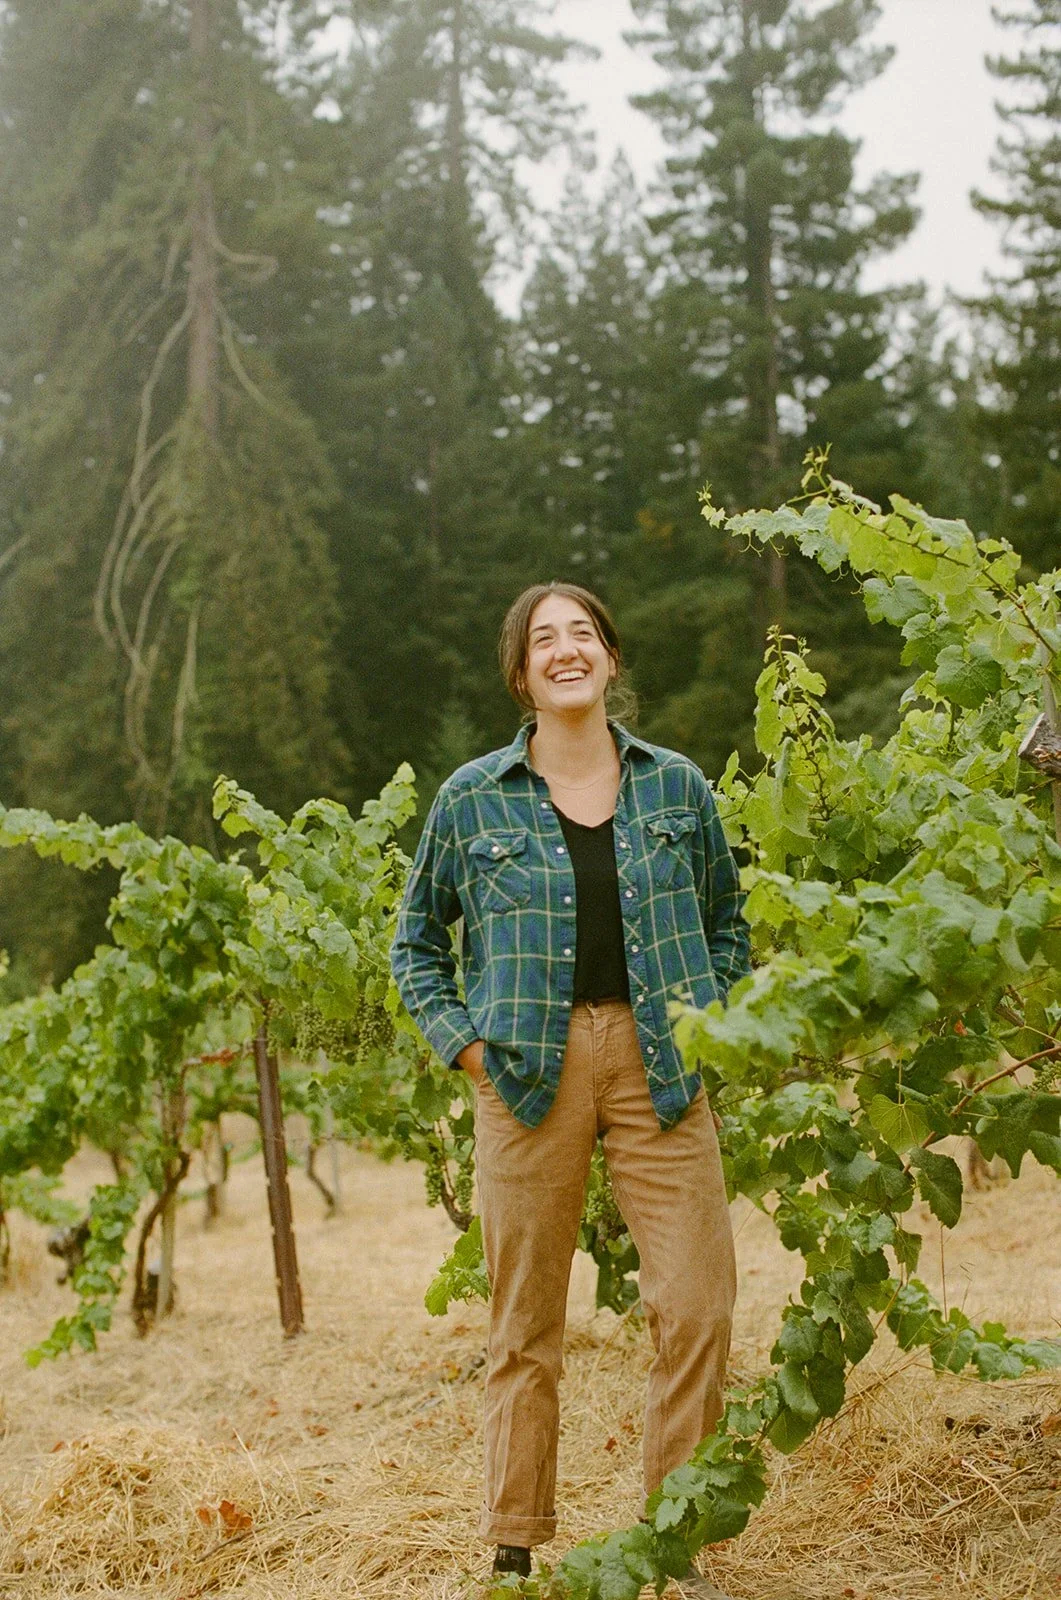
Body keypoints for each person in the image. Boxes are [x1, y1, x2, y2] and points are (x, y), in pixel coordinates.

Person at [390, 582, 751, 1584]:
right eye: (542, 639)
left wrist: (702, 1020)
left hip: (660, 1069)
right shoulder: (472, 797)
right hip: (522, 1072)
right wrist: (466, 1048)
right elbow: (415, 945)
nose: (564, 650)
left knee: (695, 1304)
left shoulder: (675, 788)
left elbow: (728, 923)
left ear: (609, 657)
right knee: (523, 1322)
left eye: (580, 633)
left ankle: (674, 1537)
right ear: (520, 673)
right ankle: (513, 1540)